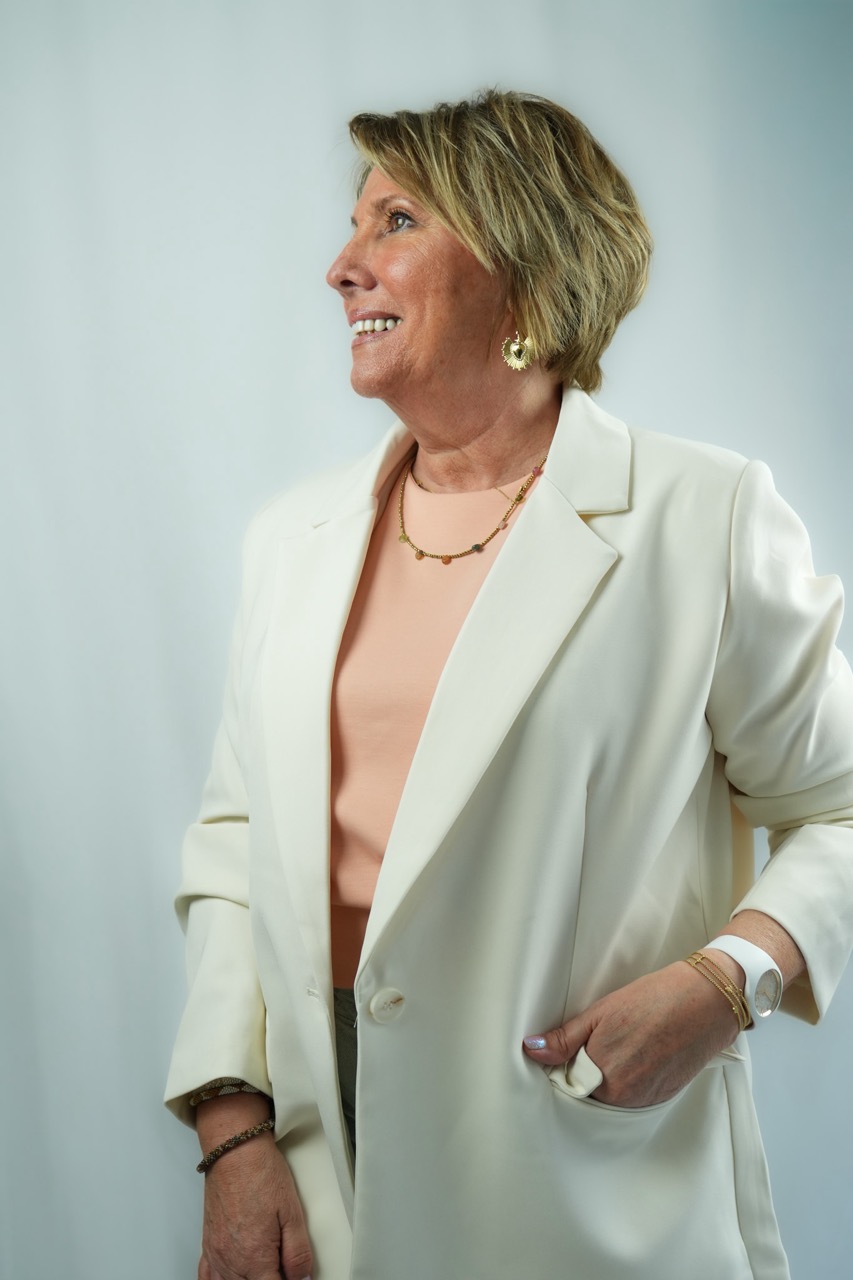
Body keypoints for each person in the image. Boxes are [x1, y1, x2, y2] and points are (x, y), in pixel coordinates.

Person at [165, 90, 853, 1280]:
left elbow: (838, 805)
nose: (341, 266)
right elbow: (235, 847)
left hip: (579, 1166)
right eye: (354, 223)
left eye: (395, 221)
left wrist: (724, 980)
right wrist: (233, 1131)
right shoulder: (290, 542)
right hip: (322, 1165)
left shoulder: (702, 518)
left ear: (521, 269)